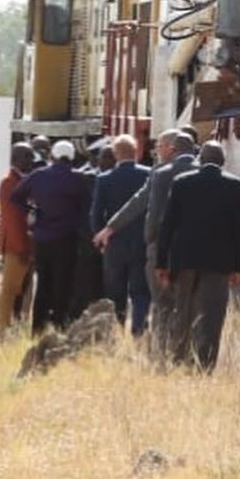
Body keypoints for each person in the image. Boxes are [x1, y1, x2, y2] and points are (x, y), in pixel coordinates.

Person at [95, 130, 197, 360]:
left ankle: (161, 353)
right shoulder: (198, 170)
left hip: (161, 248)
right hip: (194, 252)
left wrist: (124, 231)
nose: (156, 151)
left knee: (161, 305)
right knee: (186, 306)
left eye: (159, 146)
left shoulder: (160, 174)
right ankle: (182, 354)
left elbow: (142, 205)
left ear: (170, 148)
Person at [156, 142, 240, 371]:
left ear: (199, 159)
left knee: (184, 312)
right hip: (219, 264)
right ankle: (204, 366)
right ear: (223, 162)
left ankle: (179, 360)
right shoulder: (235, 186)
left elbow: (167, 225)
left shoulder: (181, 183)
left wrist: (162, 263)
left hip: (184, 260)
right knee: (212, 316)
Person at [11, 139, 92, 334]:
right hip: (67, 239)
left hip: (42, 238)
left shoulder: (39, 176)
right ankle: (59, 326)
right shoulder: (79, 179)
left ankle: (37, 328)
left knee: (43, 283)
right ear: (72, 157)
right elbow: (86, 209)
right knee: (63, 284)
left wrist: (32, 211)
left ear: (52, 156)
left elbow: (15, 197)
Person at [91, 134, 151, 335]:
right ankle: (139, 330)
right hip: (141, 242)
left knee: (115, 291)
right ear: (137, 152)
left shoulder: (104, 179)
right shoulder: (149, 174)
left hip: (114, 243)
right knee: (140, 291)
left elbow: (96, 213)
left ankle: (116, 329)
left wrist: (100, 239)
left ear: (115, 154)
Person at [0, 142, 36, 334]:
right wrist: (21, 248)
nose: (31, 160)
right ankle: (2, 327)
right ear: (16, 159)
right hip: (16, 246)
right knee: (10, 289)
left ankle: (18, 324)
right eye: (27, 156)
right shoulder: (9, 183)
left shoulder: (23, 181)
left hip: (25, 246)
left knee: (23, 289)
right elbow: (12, 220)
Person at [71, 142, 113, 319]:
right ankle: (78, 318)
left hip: (107, 241)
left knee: (103, 286)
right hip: (87, 240)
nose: (109, 161)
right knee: (84, 284)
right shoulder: (86, 179)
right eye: (106, 157)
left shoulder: (96, 179)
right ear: (97, 159)